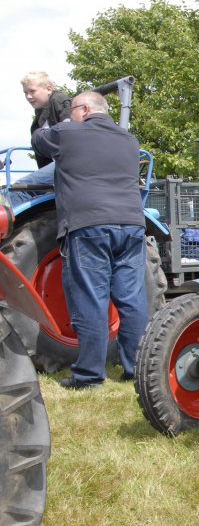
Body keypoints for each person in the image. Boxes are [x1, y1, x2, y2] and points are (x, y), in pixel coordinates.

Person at [31, 91, 148, 389]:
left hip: (90, 225)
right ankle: (136, 367)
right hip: (132, 225)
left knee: (90, 299)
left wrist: (47, 119)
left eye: (72, 111)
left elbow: (39, 141)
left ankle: (89, 374)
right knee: (132, 298)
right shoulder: (129, 140)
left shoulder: (69, 132)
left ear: (83, 110)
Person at [9, 72, 72, 206]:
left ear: (49, 89)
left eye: (32, 91)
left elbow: (69, 134)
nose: (28, 96)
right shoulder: (40, 114)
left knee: (18, 189)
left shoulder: (59, 101)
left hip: (68, 162)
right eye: (25, 93)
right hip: (57, 163)